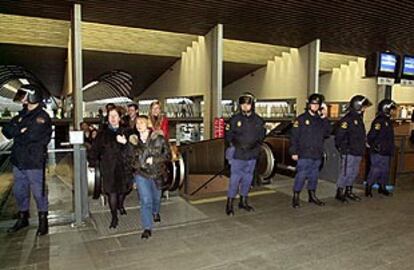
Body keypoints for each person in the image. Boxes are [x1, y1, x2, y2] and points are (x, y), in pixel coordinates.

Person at [1, 85, 52, 236]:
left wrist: (17, 131)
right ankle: (23, 217)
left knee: (38, 193)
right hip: (19, 161)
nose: (22, 98)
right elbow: (6, 131)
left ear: (32, 96)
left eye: (24, 95)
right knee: (19, 191)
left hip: (34, 162)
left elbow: (32, 136)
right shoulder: (21, 114)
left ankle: (43, 222)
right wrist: (19, 130)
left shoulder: (42, 117)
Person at [127, 116, 171, 239]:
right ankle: (147, 228)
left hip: (157, 174)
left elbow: (168, 156)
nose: (139, 125)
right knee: (146, 201)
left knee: (156, 198)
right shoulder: (133, 141)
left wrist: (155, 159)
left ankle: (155, 212)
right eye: (137, 123)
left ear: (148, 124)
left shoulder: (159, 138)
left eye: (141, 122)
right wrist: (135, 169)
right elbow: (130, 159)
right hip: (141, 174)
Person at [88, 106, 132, 229]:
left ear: (120, 118)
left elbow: (134, 149)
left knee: (123, 190)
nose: (112, 118)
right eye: (110, 116)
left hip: (124, 167)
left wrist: (125, 143)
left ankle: (121, 205)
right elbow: (94, 150)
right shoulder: (102, 134)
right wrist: (93, 163)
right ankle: (114, 217)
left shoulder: (127, 131)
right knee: (112, 193)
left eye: (115, 116)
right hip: (109, 168)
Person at [225, 92, 265, 216]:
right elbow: (228, 136)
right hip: (238, 153)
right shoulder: (234, 119)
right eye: (243, 104)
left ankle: (243, 201)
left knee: (248, 179)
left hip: (252, 154)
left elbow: (262, 136)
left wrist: (255, 147)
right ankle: (230, 203)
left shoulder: (258, 120)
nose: (245, 107)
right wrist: (234, 146)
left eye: (248, 104)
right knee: (235, 179)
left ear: (252, 105)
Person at [289, 94, 331, 208]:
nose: (315, 106)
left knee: (314, 176)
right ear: (309, 105)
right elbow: (294, 136)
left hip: (316, 153)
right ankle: (296, 196)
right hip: (304, 153)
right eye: (313, 104)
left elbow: (327, 133)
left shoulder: (320, 120)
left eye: (317, 104)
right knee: (301, 175)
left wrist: (325, 118)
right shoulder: (301, 119)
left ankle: (312, 195)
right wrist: (293, 152)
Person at [335, 95, 372, 202]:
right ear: (358, 106)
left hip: (358, 151)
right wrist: (343, 148)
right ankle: (340, 192)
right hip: (349, 151)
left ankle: (349, 191)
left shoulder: (358, 119)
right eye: (363, 107)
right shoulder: (347, 120)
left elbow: (360, 135)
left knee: (354, 172)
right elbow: (339, 136)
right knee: (346, 172)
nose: (365, 109)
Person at [366, 99, 397, 197]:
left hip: (386, 150)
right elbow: (372, 135)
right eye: (392, 109)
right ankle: (369, 187)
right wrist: (374, 145)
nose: (394, 112)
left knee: (385, 170)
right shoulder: (379, 121)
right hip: (378, 150)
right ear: (386, 109)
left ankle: (382, 187)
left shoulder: (388, 120)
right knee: (375, 169)